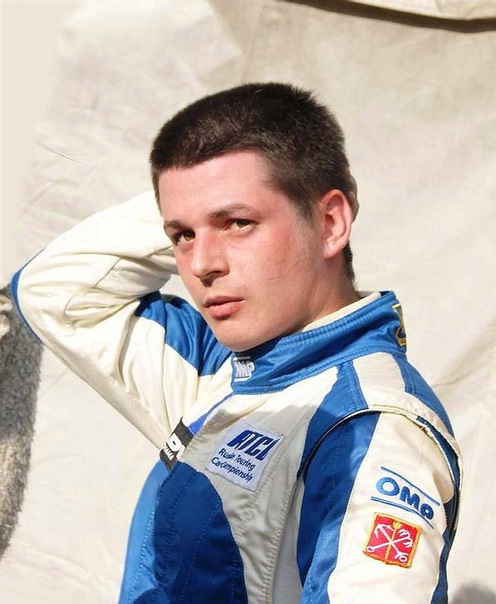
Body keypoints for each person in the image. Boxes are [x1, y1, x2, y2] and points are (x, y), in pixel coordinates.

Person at [12, 82, 461, 603]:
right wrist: (198, 201)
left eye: (238, 223)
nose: (202, 265)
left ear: (330, 222)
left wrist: (232, 198)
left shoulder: (371, 426)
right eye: (182, 236)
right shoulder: (221, 367)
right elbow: (52, 292)